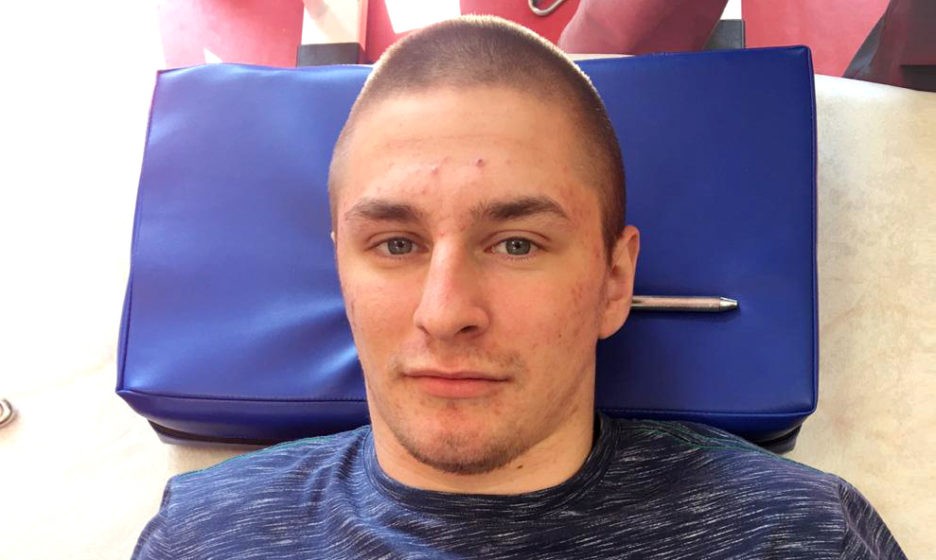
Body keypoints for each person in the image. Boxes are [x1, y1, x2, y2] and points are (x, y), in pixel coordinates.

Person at [132, 16, 906, 559]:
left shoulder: (799, 535)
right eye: (396, 244)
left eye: (516, 243)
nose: (445, 313)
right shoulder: (204, 539)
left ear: (614, 281)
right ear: (342, 268)